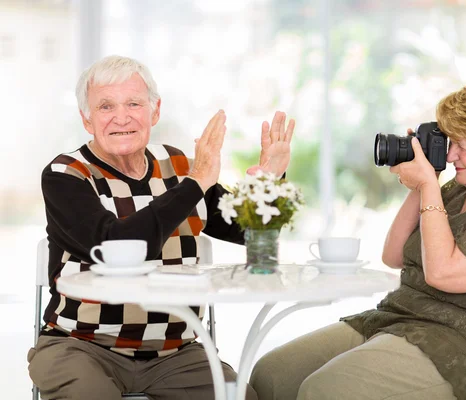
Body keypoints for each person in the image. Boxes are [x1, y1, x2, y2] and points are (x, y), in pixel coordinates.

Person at [250, 74, 466, 400]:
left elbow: (442, 273)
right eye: (449, 143)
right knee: (270, 375)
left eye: (462, 147)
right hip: (401, 318)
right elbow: (394, 255)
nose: (451, 156)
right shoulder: (457, 190)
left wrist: (428, 186)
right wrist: (426, 179)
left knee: (326, 390)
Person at [27, 55, 295, 400]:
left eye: (134, 103)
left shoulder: (180, 167)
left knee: (241, 397)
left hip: (175, 354)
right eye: (106, 106)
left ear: (154, 112)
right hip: (81, 346)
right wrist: (196, 182)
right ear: (87, 118)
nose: (121, 117)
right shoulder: (66, 175)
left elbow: (247, 232)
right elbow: (116, 247)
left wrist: (270, 183)